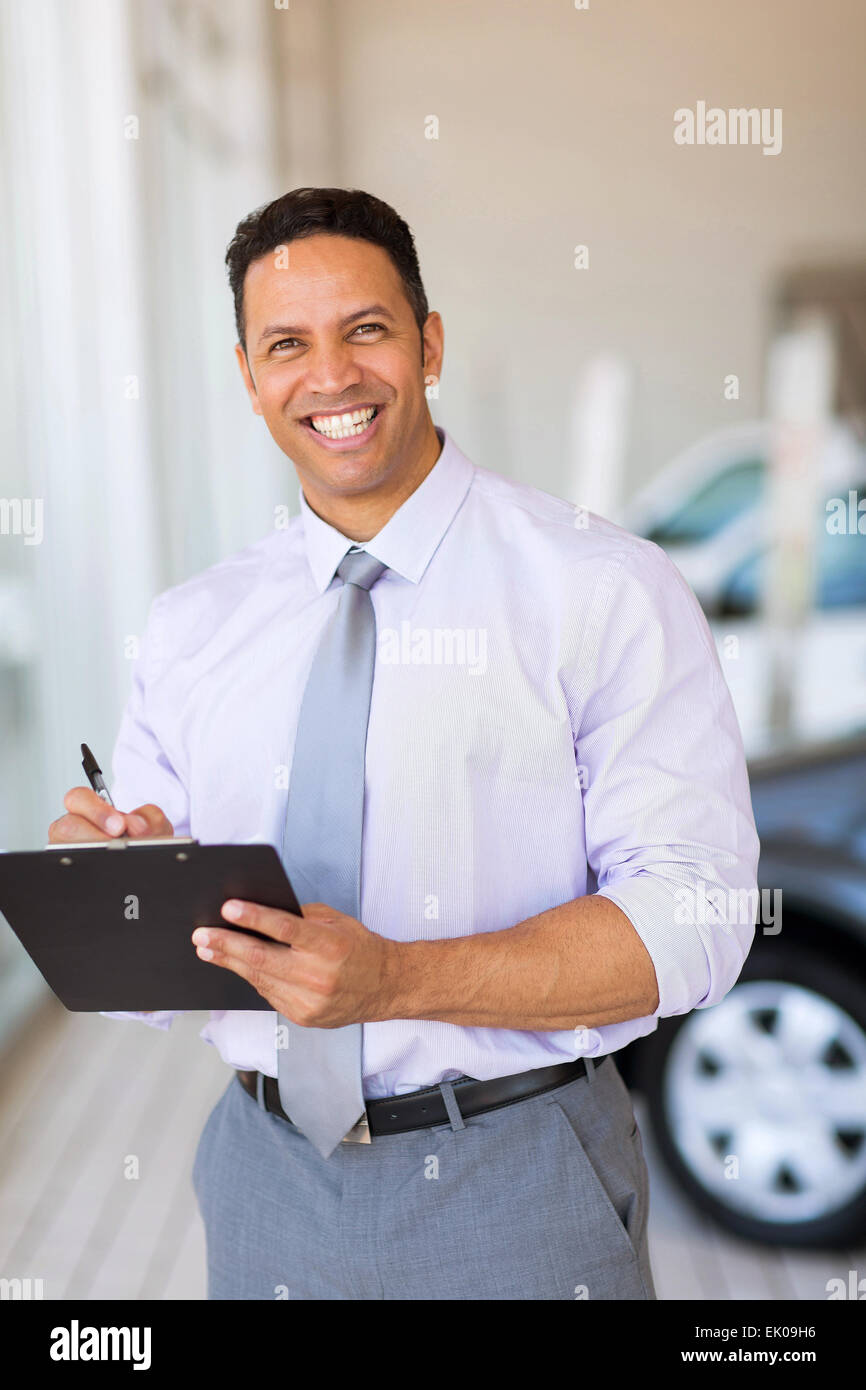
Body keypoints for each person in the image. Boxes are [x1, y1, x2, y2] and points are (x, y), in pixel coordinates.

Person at [49, 187, 760, 1301]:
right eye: (287, 343)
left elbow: (694, 921)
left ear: (427, 345)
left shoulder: (601, 590)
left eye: (364, 330)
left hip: (515, 1177)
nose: (329, 377)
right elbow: (156, 980)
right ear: (248, 377)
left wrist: (395, 979)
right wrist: (118, 885)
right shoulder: (194, 625)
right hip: (263, 1177)